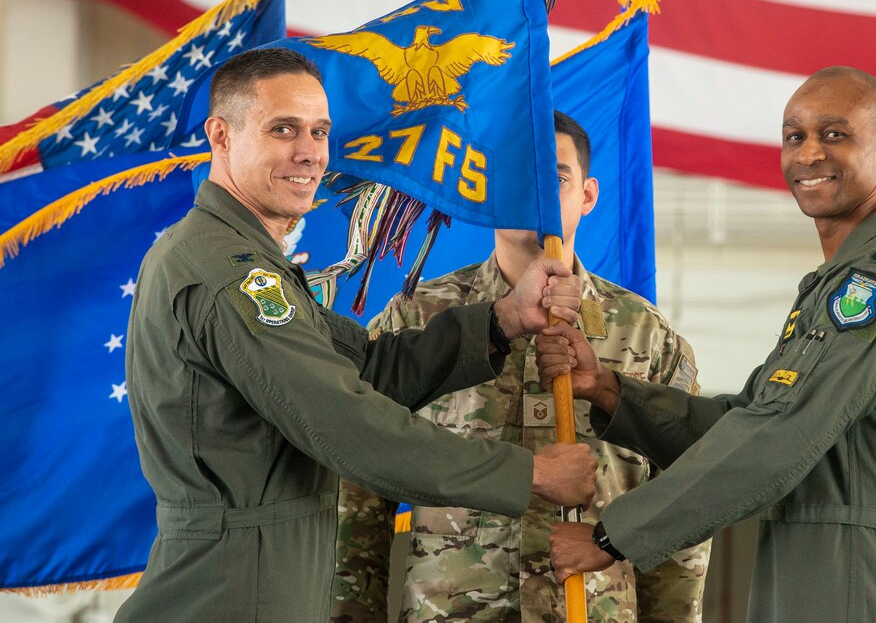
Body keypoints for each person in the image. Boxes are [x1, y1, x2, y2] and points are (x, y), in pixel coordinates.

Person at [117, 48, 598, 623]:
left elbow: (365, 370)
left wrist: (502, 320)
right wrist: (530, 474)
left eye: (319, 131)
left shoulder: (241, 258)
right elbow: (346, 423)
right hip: (232, 591)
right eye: (283, 130)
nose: (310, 153)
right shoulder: (229, 274)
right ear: (220, 136)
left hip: (257, 579)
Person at [539, 67, 876, 622]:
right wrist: (610, 392)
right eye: (795, 136)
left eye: (834, 134)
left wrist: (611, 537)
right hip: (815, 570)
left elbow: (781, 436)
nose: (809, 153)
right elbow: (748, 424)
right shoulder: (837, 282)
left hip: (863, 580)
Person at [330, 112, 710, 622]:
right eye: (515, 175)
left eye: (556, 177)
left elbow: (683, 500)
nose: (536, 192)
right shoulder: (415, 321)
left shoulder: (648, 336)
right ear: (487, 191)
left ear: (588, 195)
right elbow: (356, 490)